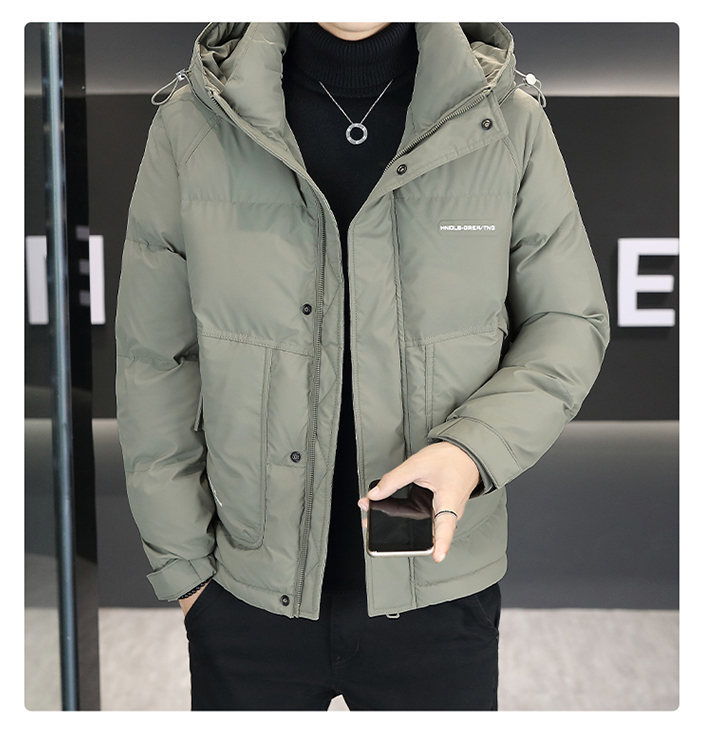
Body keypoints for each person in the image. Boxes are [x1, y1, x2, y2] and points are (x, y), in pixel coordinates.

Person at [115, 21, 610, 710]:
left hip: (437, 585)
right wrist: (186, 572)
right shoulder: (196, 123)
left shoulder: (506, 120)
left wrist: (470, 451)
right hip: (243, 594)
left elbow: (568, 322)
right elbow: (155, 359)